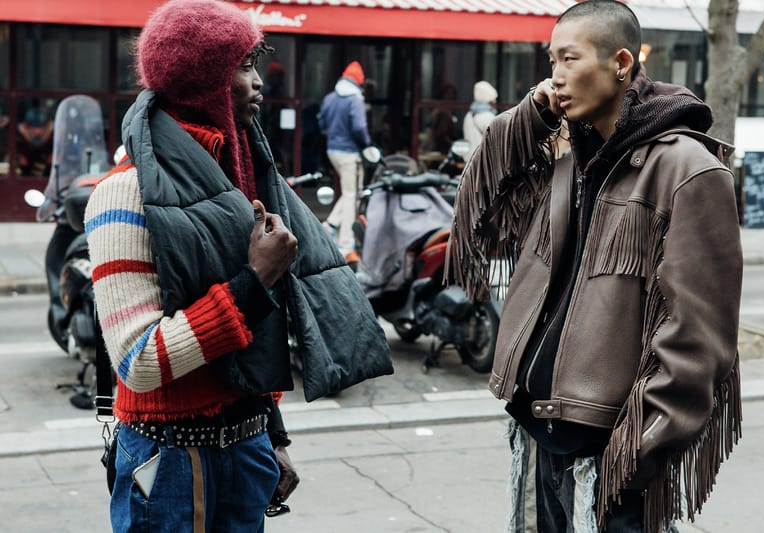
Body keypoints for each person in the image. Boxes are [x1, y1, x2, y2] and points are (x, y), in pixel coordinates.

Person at [84, 1, 390, 531]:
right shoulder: (123, 193)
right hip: (169, 458)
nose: (259, 83)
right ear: (206, 79)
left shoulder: (241, 184)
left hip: (246, 445)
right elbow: (139, 361)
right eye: (245, 66)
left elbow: (253, 346)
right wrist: (254, 282)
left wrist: (271, 435)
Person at [448, 2, 743, 532]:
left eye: (569, 58)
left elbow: (699, 338)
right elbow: (480, 201)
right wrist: (533, 114)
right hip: (542, 437)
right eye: (550, 60)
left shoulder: (686, 168)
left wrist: (638, 454)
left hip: (613, 462)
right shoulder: (567, 157)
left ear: (621, 62)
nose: (554, 76)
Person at [318, 61, 372, 260]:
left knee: (351, 192)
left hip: (333, 150)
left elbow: (322, 122)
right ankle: (346, 241)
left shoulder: (330, 98)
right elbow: (359, 127)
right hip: (350, 151)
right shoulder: (355, 99)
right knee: (352, 195)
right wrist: (367, 145)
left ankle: (330, 224)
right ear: (359, 81)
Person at [463, 80, 498, 161]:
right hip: (483, 162)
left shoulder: (469, 115)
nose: (495, 101)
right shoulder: (488, 117)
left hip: (469, 160)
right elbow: (496, 141)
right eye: (493, 98)